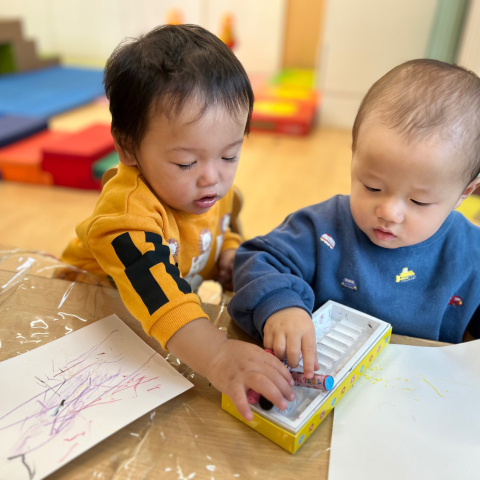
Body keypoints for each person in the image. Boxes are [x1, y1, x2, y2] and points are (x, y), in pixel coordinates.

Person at [61, 24, 294, 420]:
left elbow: (223, 227)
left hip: (154, 325)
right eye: (186, 162)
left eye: (230, 155)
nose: (212, 178)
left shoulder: (210, 191)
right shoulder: (127, 215)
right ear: (128, 147)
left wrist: (229, 254)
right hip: (84, 316)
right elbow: (159, 295)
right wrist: (217, 356)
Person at [229, 59, 480, 375]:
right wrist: (281, 306)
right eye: (372, 187)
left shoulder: (471, 252)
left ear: (464, 193)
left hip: (420, 388)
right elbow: (257, 259)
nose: (388, 212)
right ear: (354, 155)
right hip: (322, 380)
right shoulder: (323, 228)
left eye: (419, 201)